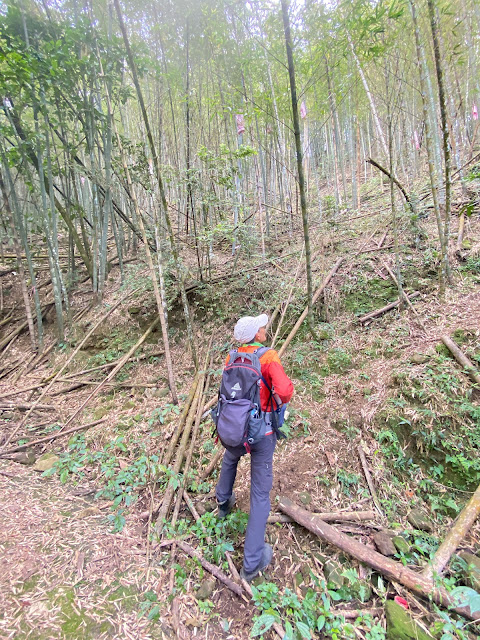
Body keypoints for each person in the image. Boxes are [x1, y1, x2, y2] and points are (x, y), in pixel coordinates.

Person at [215, 313, 294, 582]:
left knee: (230, 457)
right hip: (262, 433)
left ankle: (223, 502)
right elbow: (284, 392)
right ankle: (252, 562)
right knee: (260, 494)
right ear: (256, 335)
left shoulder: (231, 357)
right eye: (261, 327)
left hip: (235, 429)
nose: (264, 329)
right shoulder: (268, 357)